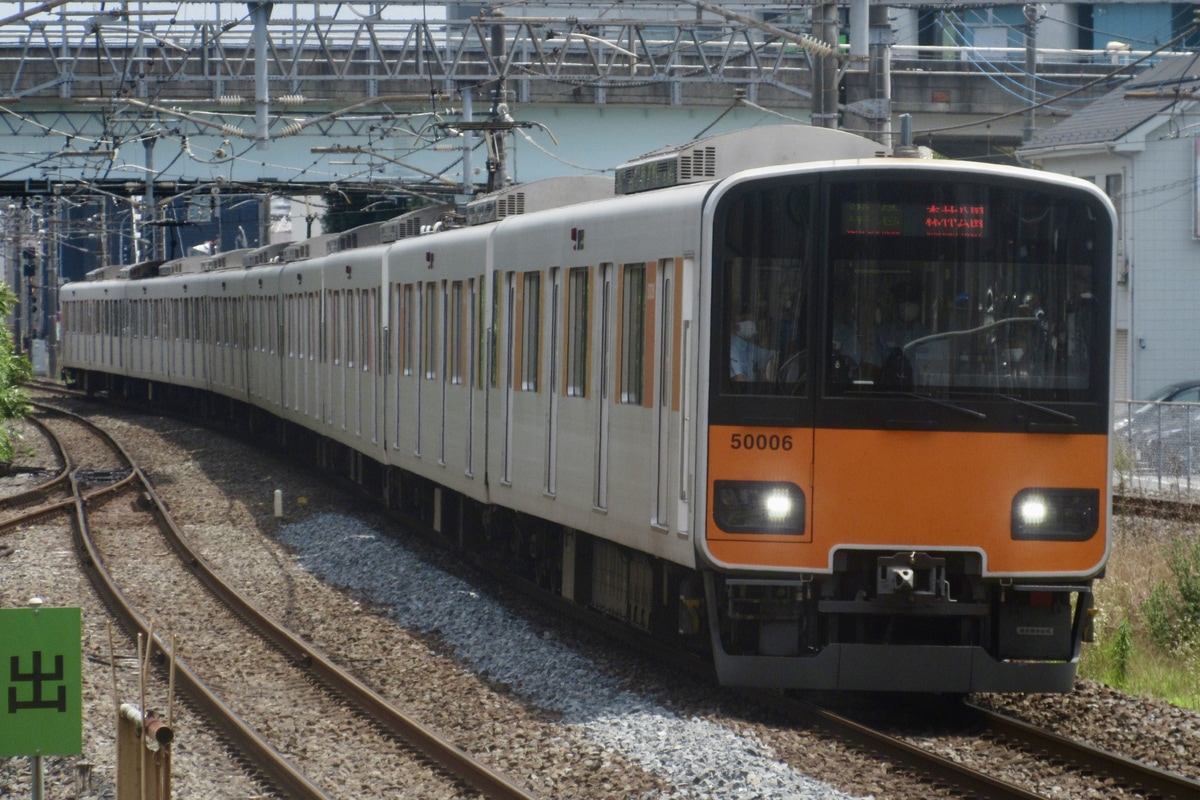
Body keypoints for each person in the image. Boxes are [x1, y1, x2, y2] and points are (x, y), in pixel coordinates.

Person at [730, 308, 776, 382]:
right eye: (743, 320)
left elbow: (772, 355)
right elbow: (739, 379)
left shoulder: (745, 345)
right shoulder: (731, 346)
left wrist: (767, 372)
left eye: (751, 321)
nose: (749, 325)